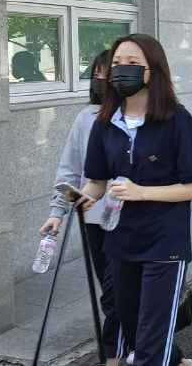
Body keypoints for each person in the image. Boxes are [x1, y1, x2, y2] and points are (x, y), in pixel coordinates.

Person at [77, 33, 192, 366]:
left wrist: (142, 192)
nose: (123, 70)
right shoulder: (105, 124)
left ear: (153, 71)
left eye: (134, 64)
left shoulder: (178, 121)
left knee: (151, 338)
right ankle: (178, 360)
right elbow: (96, 182)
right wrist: (78, 198)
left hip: (166, 243)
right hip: (120, 241)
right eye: (118, 63)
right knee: (135, 331)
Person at [38, 51, 126, 365]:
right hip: (94, 221)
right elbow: (69, 172)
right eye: (98, 74)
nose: (103, 81)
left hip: (134, 220)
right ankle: (167, 356)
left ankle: (113, 358)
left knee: (119, 299)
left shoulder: (147, 116)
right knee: (113, 298)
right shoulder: (86, 118)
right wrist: (56, 213)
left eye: (111, 73)